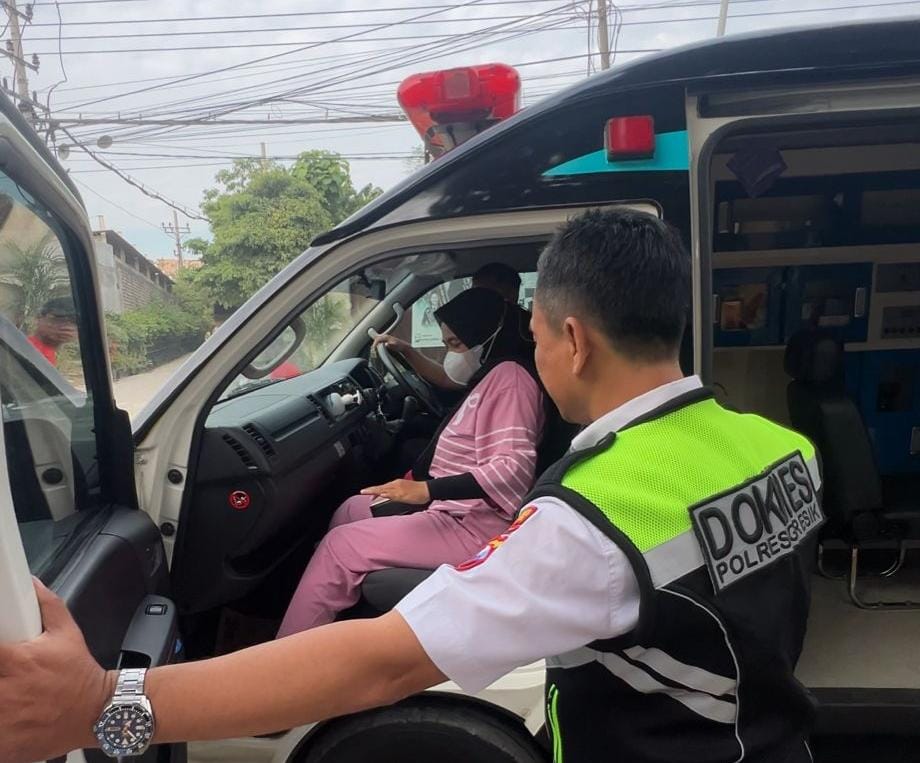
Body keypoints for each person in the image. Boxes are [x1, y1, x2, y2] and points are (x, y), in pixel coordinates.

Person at [0, 209, 824, 763]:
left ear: (573, 340)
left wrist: (102, 703)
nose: (534, 354)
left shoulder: (593, 520)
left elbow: (380, 664)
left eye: (536, 337)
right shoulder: (785, 451)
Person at [277, 286, 545, 636]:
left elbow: (514, 469)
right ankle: (332, 613)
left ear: (484, 334)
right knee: (351, 509)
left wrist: (427, 491)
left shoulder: (511, 381)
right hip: (454, 509)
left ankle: (288, 652)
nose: (451, 354)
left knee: (339, 547)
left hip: (474, 524)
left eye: (455, 344)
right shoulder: (492, 372)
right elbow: (449, 382)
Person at [376, 263, 530, 391]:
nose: (475, 301)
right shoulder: (476, 344)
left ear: (512, 294)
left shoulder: (525, 341)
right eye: (473, 293)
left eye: (483, 295)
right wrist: (406, 349)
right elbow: (448, 378)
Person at [27, 297, 77, 367]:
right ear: (39, 318)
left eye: (74, 322)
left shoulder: (49, 354)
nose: (67, 327)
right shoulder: (28, 350)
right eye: (59, 319)